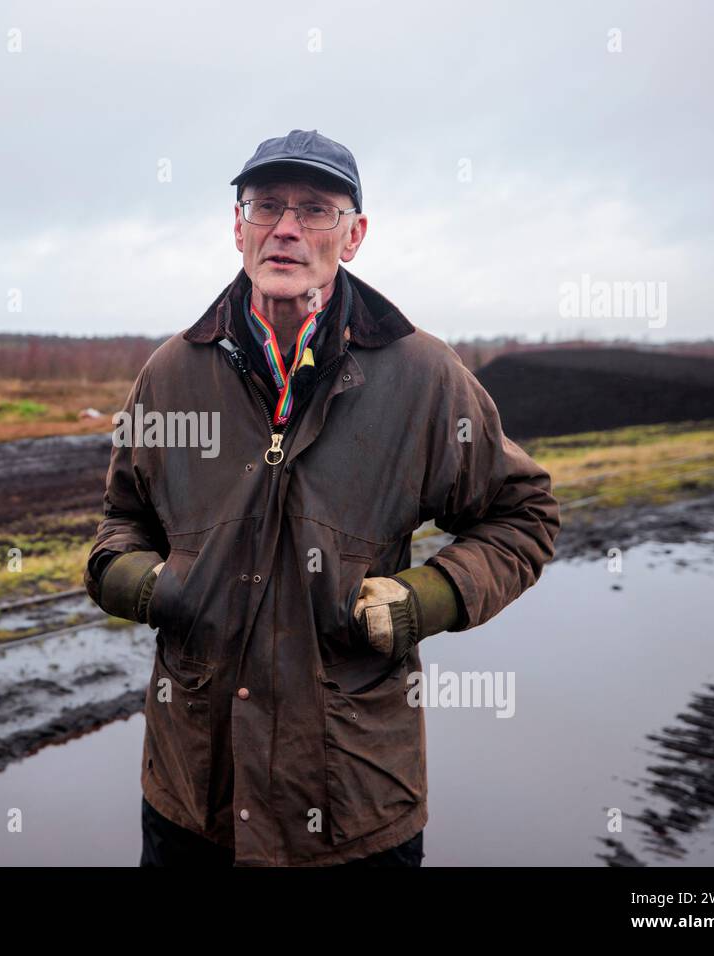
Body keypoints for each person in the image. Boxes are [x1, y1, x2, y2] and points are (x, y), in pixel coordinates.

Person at [84, 129, 561, 866]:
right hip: (192, 800)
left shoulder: (421, 376)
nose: (285, 229)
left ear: (355, 235)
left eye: (315, 210)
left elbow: (522, 514)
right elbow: (124, 517)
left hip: (355, 806)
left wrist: (428, 597)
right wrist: (137, 583)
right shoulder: (172, 374)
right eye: (266, 206)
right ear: (236, 227)